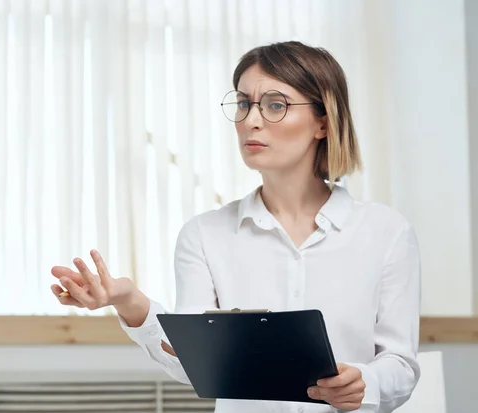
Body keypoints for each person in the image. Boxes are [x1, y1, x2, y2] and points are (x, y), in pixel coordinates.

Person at [50, 41, 421, 413]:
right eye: (244, 104)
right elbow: (193, 365)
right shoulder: (204, 235)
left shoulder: (386, 233)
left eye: (276, 105)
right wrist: (131, 302)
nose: (251, 120)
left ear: (323, 122)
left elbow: (401, 367)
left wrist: (364, 383)